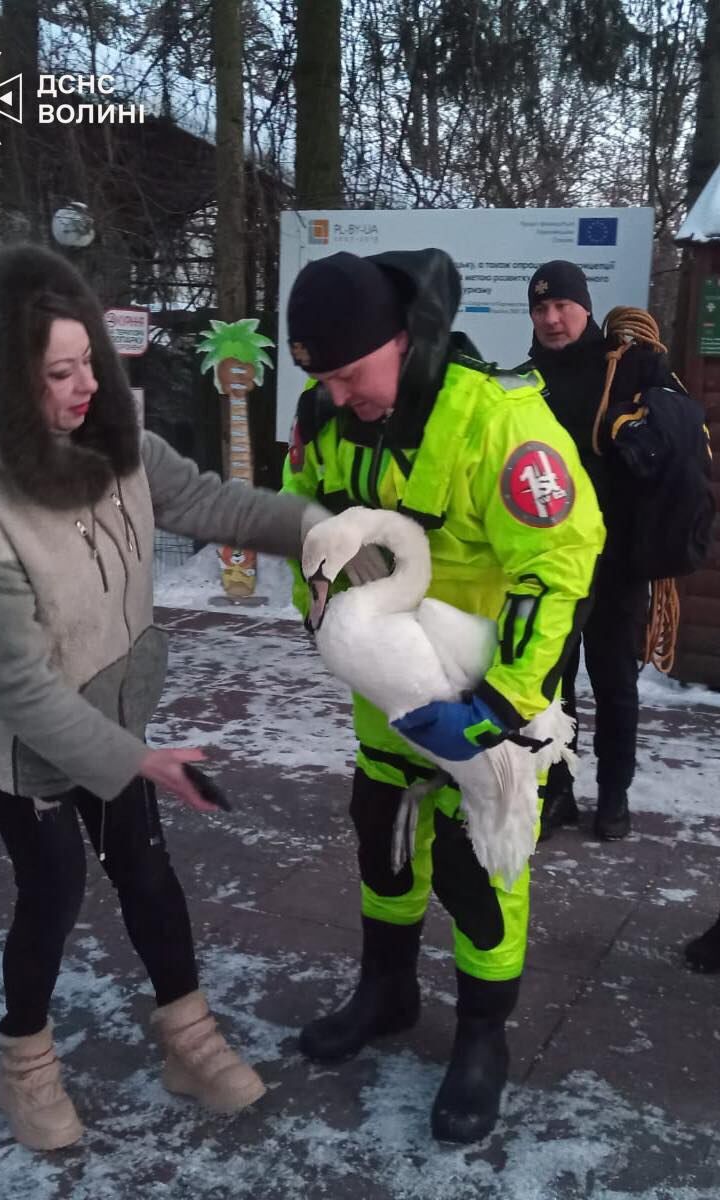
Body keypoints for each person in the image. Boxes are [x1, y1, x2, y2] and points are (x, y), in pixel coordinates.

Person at [0, 243, 320, 1152]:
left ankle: (187, 1037)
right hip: (27, 741)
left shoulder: (115, 442)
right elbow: (18, 683)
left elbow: (212, 503)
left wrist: (321, 531)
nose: (84, 387)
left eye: (87, 363)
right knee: (55, 887)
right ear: (3, 381)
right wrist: (135, 761)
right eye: (59, 373)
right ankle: (24, 1064)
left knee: (144, 866)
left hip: (111, 707)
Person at [280, 249, 605, 1144]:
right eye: (323, 379)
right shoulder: (325, 415)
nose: (338, 397)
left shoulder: (498, 420)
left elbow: (562, 558)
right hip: (385, 699)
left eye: (350, 373)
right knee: (382, 840)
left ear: (405, 339)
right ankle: (385, 992)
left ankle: (480, 1039)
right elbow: (302, 520)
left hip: (484, 705)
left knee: (477, 868)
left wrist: (503, 701)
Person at [526, 261, 684, 841]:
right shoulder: (526, 381)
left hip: (616, 562)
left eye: (562, 306)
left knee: (615, 682)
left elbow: (674, 430)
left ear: (585, 307)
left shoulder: (626, 365)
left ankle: (613, 795)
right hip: (550, 562)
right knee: (551, 684)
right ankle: (558, 791)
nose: (551, 318)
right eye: (540, 309)